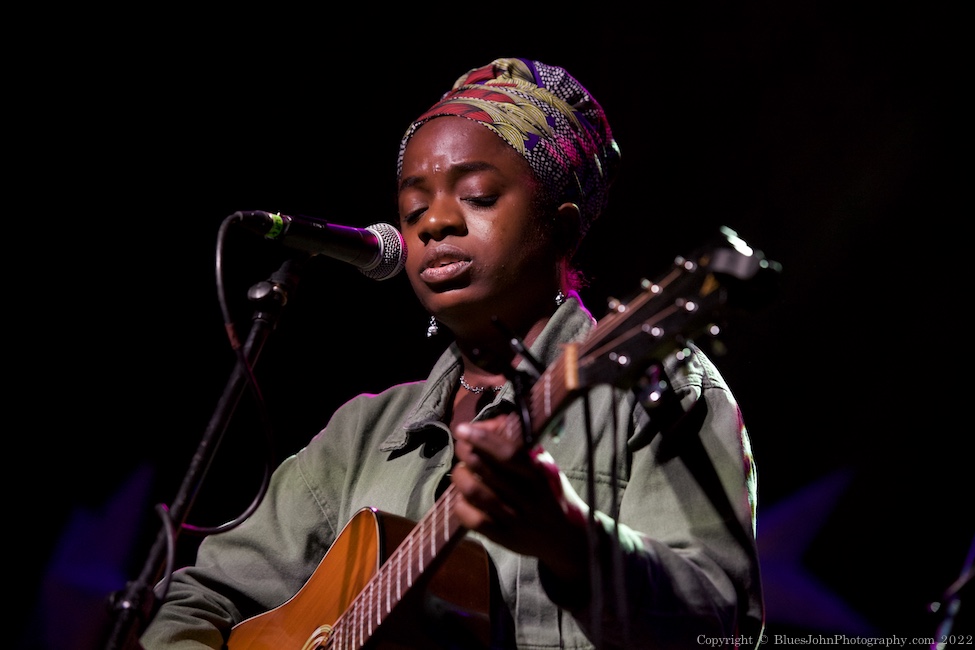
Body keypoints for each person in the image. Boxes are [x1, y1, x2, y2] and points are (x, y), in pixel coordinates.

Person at [139, 57, 764, 649]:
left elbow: (720, 623)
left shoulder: (660, 391)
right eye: (413, 209)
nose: (434, 224)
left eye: (478, 197)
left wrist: (571, 539)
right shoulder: (361, 435)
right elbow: (201, 597)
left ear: (563, 226)